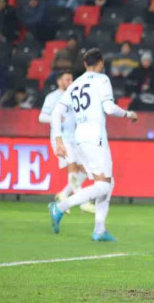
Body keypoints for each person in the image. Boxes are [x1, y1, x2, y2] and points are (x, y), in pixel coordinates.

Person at [48, 49, 140, 242]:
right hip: (95, 136)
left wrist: (58, 141)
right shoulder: (102, 79)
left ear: (84, 64)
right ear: (100, 63)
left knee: (108, 182)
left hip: (79, 136)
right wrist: (128, 114)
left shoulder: (75, 84)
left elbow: (56, 112)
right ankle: (61, 207)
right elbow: (108, 108)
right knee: (104, 185)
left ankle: (99, 229)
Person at [39, 70, 95, 215]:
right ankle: (83, 202)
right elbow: (42, 117)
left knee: (85, 170)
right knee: (72, 167)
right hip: (60, 139)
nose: (70, 82)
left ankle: (63, 195)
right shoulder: (52, 97)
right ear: (59, 81)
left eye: (71, 79)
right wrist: (55, 118)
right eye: (67, 79)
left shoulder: (75, 96)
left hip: (74, 138)